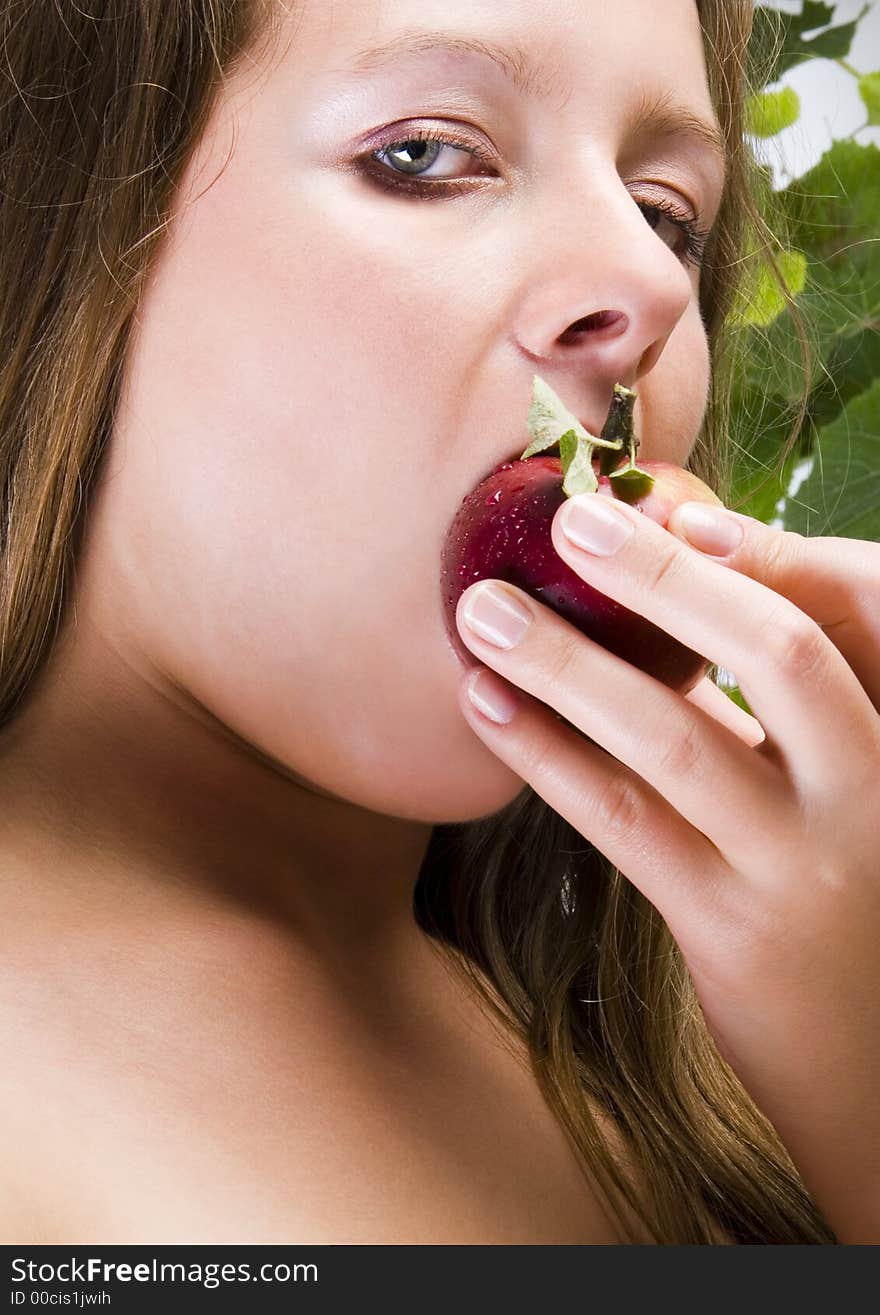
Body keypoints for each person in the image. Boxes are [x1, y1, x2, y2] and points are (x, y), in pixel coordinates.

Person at [0, 0, 876, 1246]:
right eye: (421, 155)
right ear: (69, 228)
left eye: (666, 212)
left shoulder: (736, 1063)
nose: (643, 279)